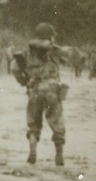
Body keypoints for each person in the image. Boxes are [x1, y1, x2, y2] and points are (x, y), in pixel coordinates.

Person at [15, 22, 68, 165]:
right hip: (52, 91)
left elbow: (15, 67)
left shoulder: (27, 51)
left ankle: (32, 151)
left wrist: (23, 80)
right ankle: (59, 156)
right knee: (57, 122)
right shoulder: (55, 50)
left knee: (34, 124)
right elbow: (70, 56)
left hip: (34, 90)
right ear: (50, 36)